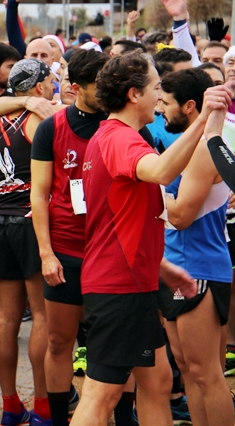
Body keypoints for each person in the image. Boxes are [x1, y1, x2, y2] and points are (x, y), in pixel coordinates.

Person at [70, 53, 229, 426]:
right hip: (117, 287)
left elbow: (119, 222)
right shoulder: (119, 138)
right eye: (156, 88)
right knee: (101, 394)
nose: (160, 97)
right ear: (133, 95)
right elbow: (159, 172)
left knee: (157, 381)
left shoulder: (112, 136)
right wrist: (204, 119)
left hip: (132, 282)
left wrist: (162, 268)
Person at [30, 50, 134, 426]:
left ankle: (123, 418)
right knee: (59, 342)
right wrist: (46, 253)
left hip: (113, 252)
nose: (107, 92)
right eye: (98, 86)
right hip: (66, 251)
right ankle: (60, 418)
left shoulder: (123, 125)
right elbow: (39, 195)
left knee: (117, 346)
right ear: (76, 88)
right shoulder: (52, 128)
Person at [159, 69, 233, 426]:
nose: (160, 110)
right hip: (179, 264)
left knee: (208, 374)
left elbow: (182, 216)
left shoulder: (205, 148)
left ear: (189, 106)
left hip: (198, 267)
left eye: (167, 103)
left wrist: (153, 194)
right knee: (189, 371)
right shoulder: (192, 141)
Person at [0, 58, 54, 426]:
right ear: (40, 87)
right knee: (41, 316)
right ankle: (43, 406)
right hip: (30, 221)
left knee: (6, 316)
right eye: (52, 82)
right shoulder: (43, 118)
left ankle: (10, 405)